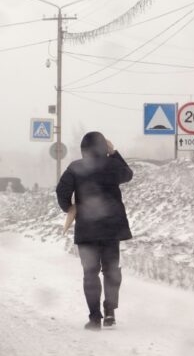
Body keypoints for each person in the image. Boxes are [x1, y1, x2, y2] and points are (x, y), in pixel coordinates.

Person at [56, 132, 133, 331]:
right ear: (102, 147)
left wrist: (69, 208)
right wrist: (114, 152)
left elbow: (61, 191)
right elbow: (128, 174)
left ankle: (94, 318)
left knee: (90, 273)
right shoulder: (112, 165)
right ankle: (110, 311)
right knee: (111, 270)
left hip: (88, 228)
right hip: (111, 228)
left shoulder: (76, 167)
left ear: (83, 149)